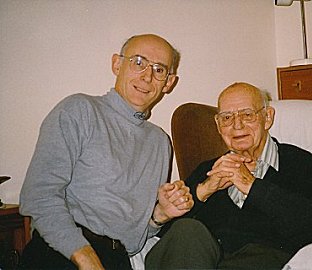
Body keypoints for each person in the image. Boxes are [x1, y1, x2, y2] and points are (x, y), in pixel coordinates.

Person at [18, 34, 194, 270]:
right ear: (117, 64)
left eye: (159, 69)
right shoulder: (79, 110)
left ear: (169, 82)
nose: (147, 76)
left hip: (118, 260)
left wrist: (158, 216)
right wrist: (85, 257)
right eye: (138, 62)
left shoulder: (160, 142)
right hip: (63, 253)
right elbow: (38, 197)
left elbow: (133, 241)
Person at [145, 82, 312, 269]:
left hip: (262, 260)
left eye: (247, 115)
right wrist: (202, 192)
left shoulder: (300, 164)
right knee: (187, 231)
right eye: (227, 118)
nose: (237, 125)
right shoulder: (208, 170)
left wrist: (251, 186)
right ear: (218, 125)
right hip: (198, 262)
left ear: (267, 117)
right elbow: (169, 241)